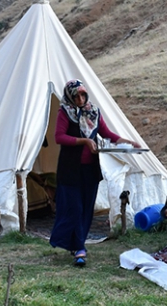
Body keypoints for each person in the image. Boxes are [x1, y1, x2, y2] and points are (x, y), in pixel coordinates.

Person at [50, 79, 140, 267]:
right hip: (70, 169)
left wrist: (128, 142)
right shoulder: (65, 112)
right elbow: (59, 137)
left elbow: (107, 134)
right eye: (77, 95)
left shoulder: (94, 112)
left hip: (90, 169)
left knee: (86, 209)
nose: (81, 99)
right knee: (74, 208)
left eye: (83, 94)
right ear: (70, 96)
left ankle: (78, 246)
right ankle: (78, 247)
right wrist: (84, 141)